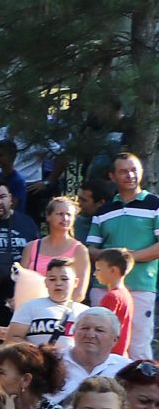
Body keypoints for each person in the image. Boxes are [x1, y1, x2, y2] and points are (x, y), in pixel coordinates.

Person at [86, 152, 159, 360]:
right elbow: (90, 250)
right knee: (100, 345)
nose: (130, 175)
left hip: (140, 285)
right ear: (112, 176)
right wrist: (113, 257)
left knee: (138, 347)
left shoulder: (155, 204)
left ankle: (142, 383)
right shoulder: (103, 210)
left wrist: (126, 258)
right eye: (123, 171)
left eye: (134, 170)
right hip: (103, 287)